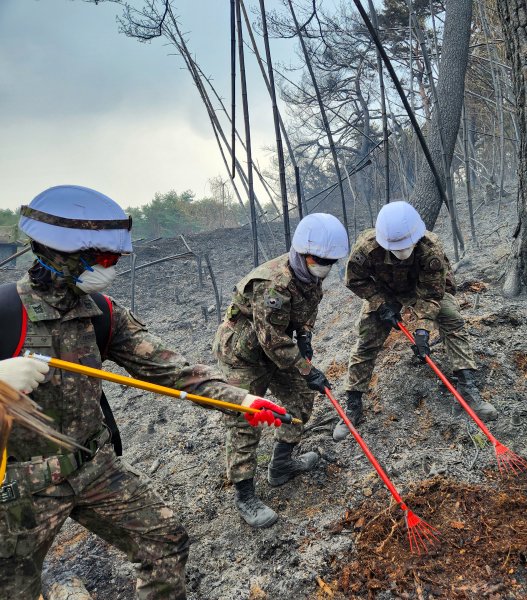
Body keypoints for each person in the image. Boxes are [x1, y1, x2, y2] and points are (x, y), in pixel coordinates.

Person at [0, 185, 284, 600]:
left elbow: (170, 369)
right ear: (60, 254)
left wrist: (240, 399)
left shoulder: (102, 311)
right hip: (18, 489)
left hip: (92, 468)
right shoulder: (6, 313)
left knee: (165, 541)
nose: (112, 268)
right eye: (105, 258)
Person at [214, 213, 348, 527]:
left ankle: (282, 465)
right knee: (245, 418)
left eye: (329, 261)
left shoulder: (311, 278)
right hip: (243, 354)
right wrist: (306, 367)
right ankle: (245, 495)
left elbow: (304, 317)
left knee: (301, 399)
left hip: (278, 348)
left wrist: (305, 340)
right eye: (318, 259)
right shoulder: (273, 283)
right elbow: (271, 339)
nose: (324, 266)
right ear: (302, 253)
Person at [337, 200, 497, 442]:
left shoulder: (430, 249)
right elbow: (355, 281)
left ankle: (467, 386)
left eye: (406, 246)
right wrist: (381, 303)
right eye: (395, 248)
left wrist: (422, 330)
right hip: (384, 292)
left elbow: (433, 293)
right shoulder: (367, 248)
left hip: (420, 290)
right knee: (367, 339)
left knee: (451, 318)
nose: (401, 251)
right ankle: (352, 405)